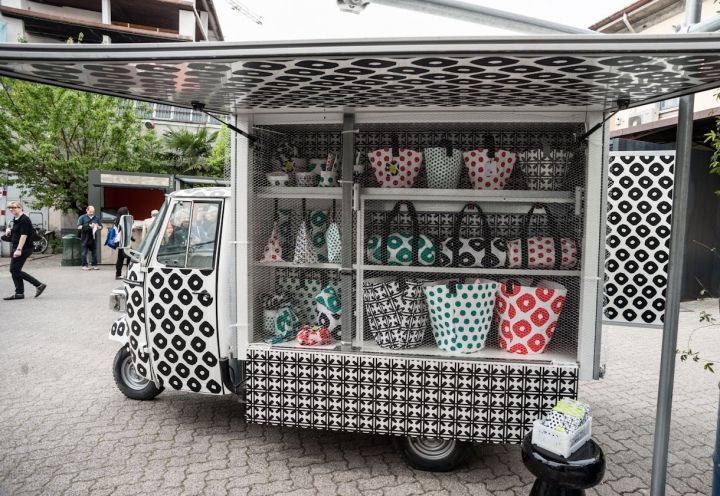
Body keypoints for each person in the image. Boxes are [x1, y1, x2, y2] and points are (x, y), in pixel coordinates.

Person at [3, 201, 46, 300]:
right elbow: (18, 232)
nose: (11, 209)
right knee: (15, 270)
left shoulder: (25, 220)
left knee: (14, 270)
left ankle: (38, 285)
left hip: (24, 248)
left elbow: (24, 235)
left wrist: (19, 249)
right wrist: (10, 231)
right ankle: (19, 293)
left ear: (20, 208)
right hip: (17, 247)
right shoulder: (16, 219)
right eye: (10, 208)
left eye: (14, 207)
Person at [77, 205, 103, 270]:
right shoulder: (82, 217)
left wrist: (97, 226)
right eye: (90, 211)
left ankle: (94, 265)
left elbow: (101, 227)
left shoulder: (96, 218)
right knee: (84, 252)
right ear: (87, 210)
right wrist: (88, 226)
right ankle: (84, 265)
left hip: (93, 237)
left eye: (93, 211)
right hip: (85, 237)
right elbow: (78, 227)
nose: (92, 213)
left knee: (94, 252)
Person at [115, 206, 130, 280]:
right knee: (129, 257)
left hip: (121, 242)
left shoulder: (118, 220)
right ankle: (127, 273)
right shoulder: (123, 220)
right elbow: (125, 231)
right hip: (124, 242)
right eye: (127, 211)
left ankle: (118, 274)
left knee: (120, 258)